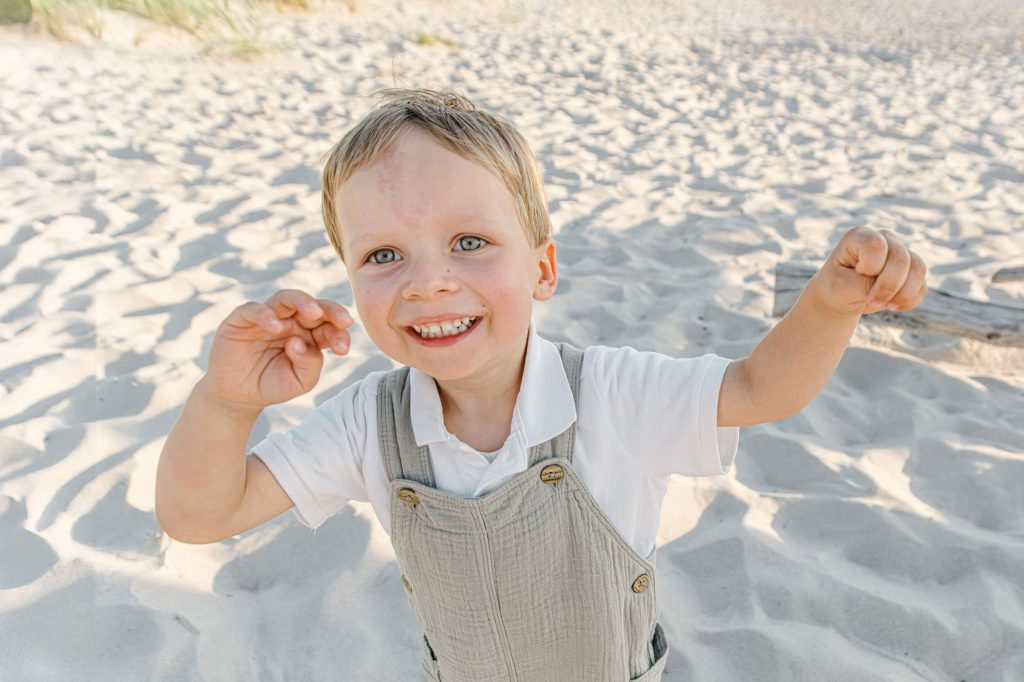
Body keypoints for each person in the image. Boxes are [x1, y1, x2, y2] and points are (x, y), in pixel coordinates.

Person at [155, 88, 928, 681]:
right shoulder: (368, 424)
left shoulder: (610, 393)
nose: (428, 282)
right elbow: (200, 514)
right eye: (383, 255)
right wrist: (226, 403)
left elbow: (762, 388)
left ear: (543, 269)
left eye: (469, 241)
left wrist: (829, 304)